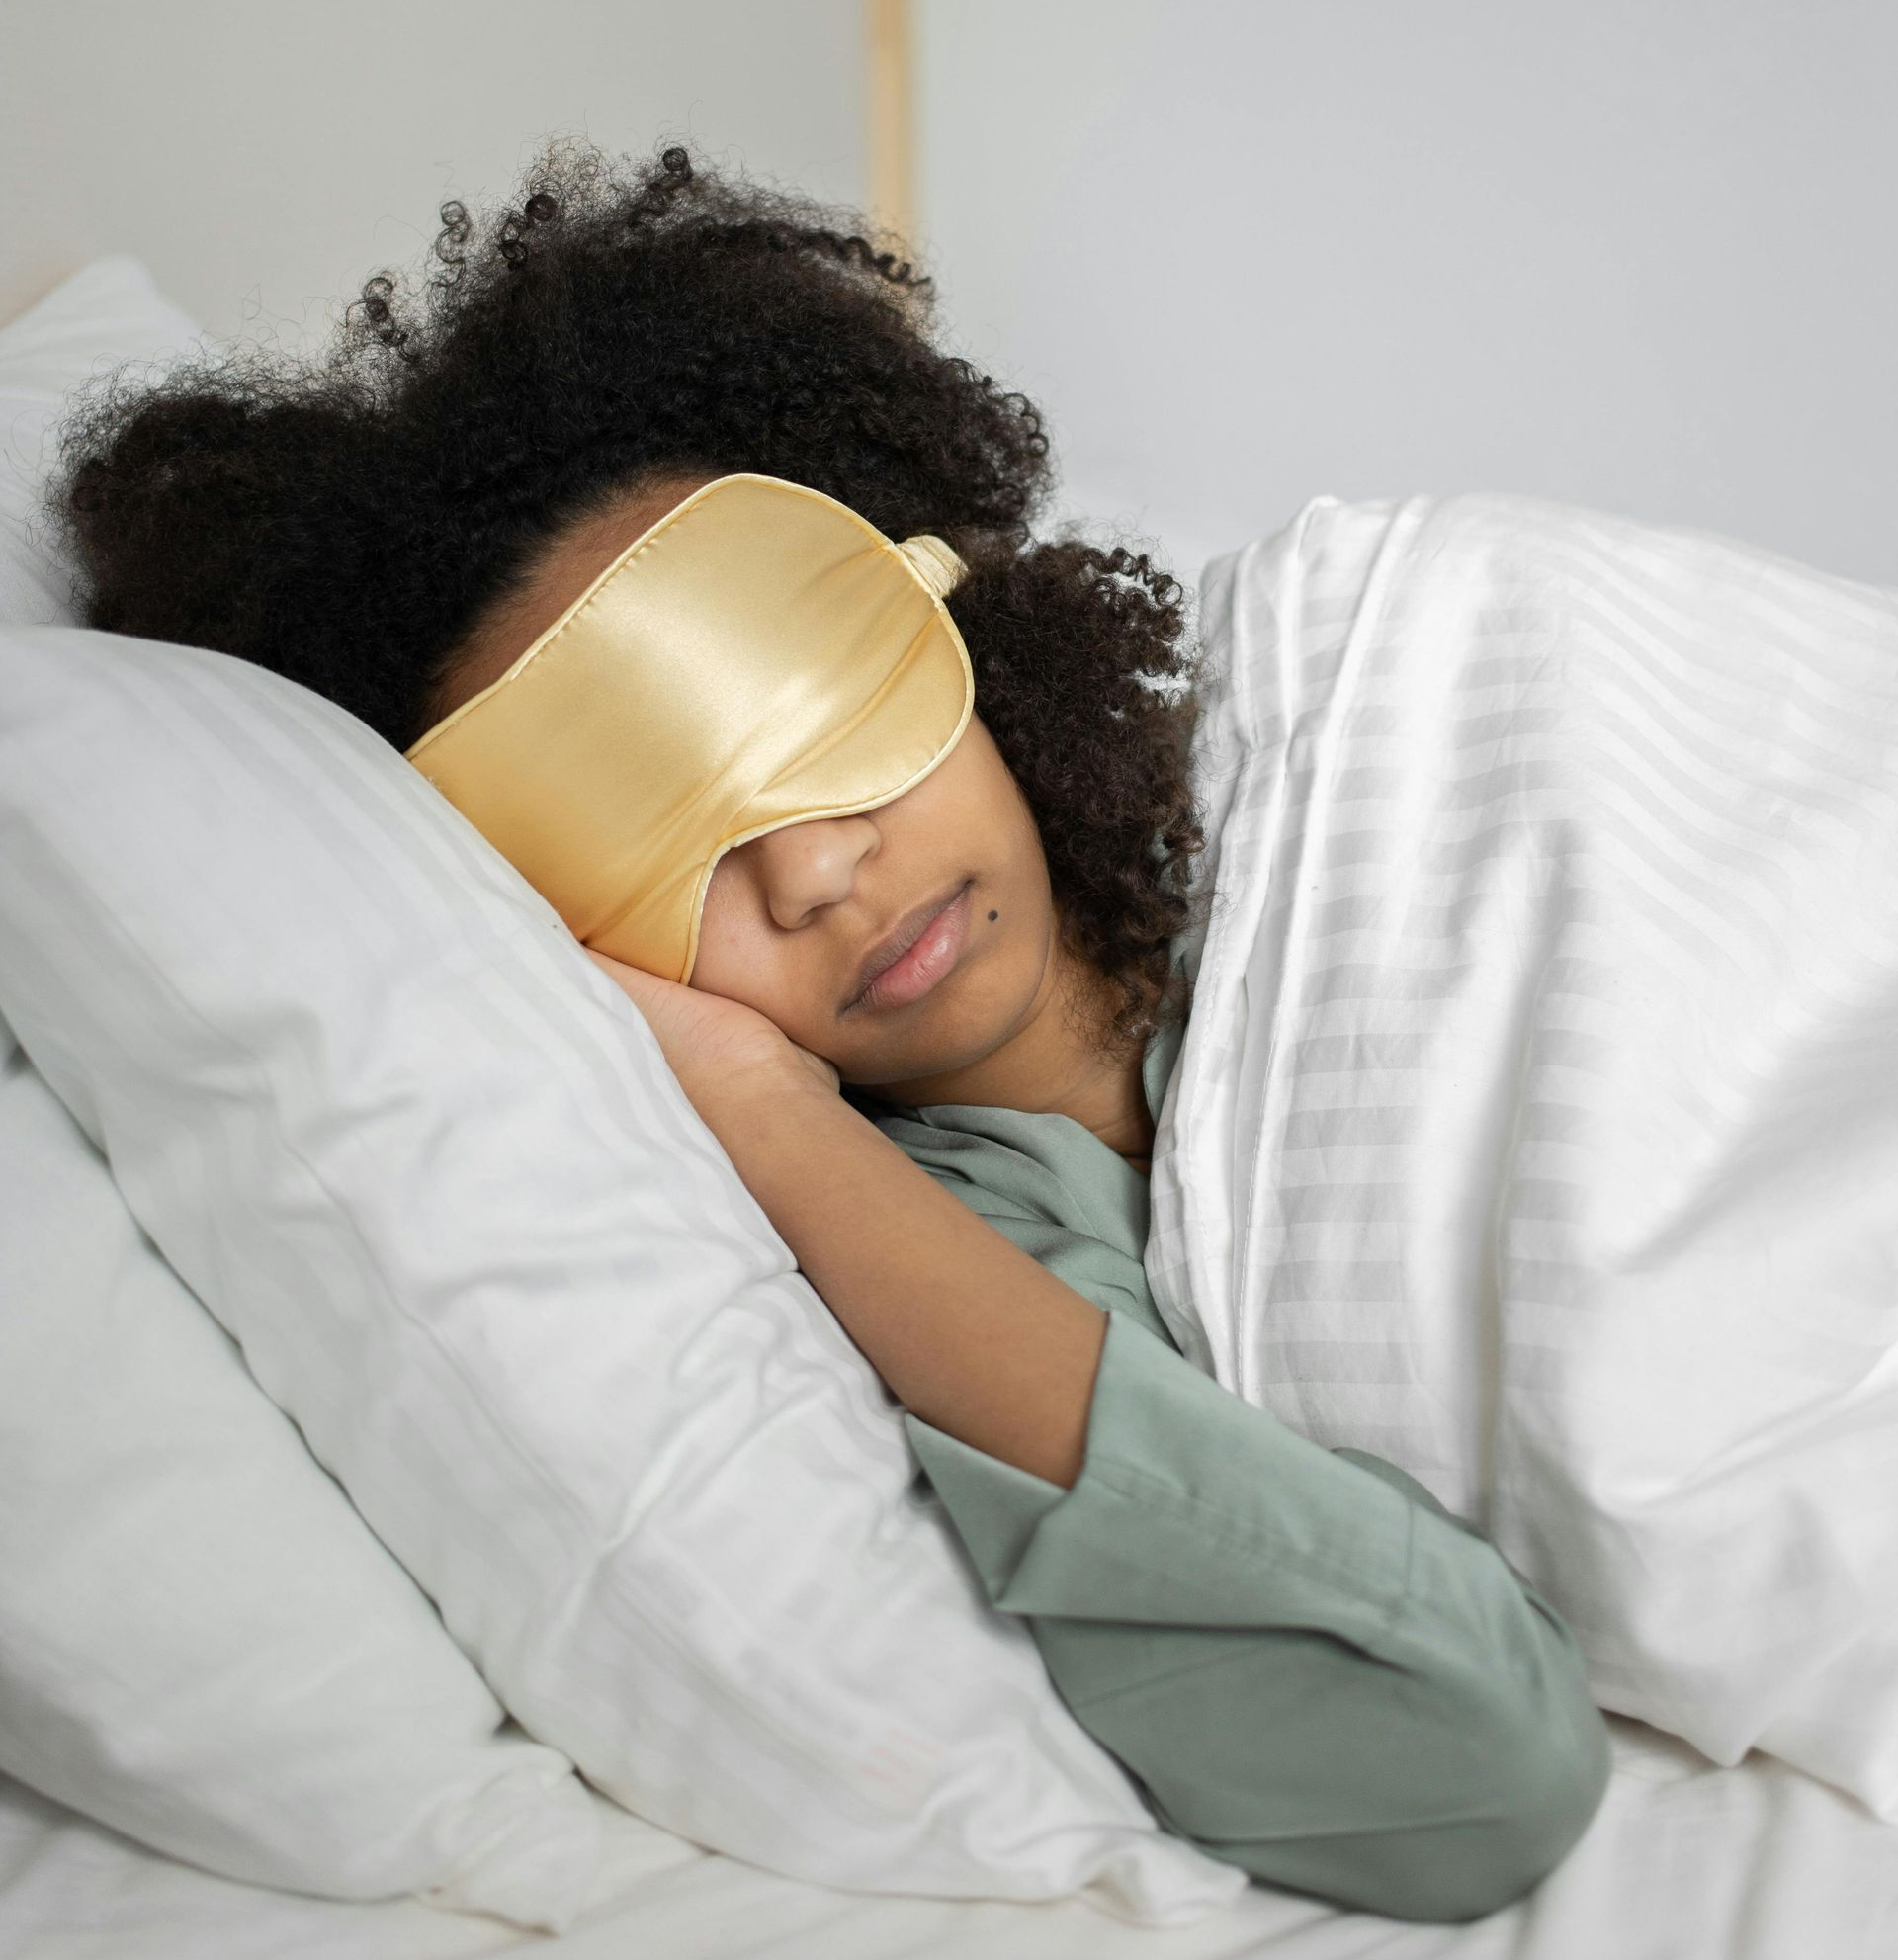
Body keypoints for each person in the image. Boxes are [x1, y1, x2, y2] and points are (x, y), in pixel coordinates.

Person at [43, 134, 1612, 1923]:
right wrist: (762, 1115)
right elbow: (1480, 1759)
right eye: (653, 847)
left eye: (800, 690)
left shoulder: (1344, 765)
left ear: (935, 584)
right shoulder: (961, 1260)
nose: (812, 867)